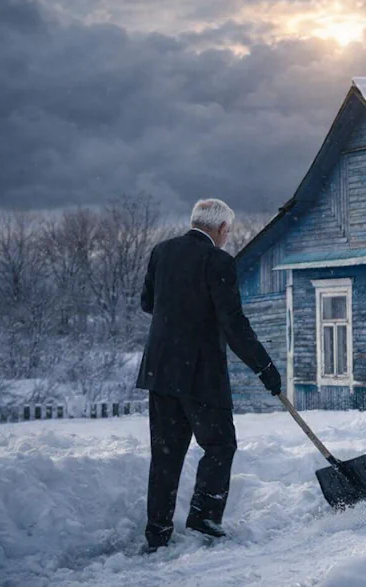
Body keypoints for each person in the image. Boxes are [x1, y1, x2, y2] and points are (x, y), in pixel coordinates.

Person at [136, 198, 281, 551]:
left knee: (166, 453)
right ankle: (204, 516)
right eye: (227, 232)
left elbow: (147, 303)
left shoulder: (162, 251)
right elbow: (233, 323)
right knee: (220, 445)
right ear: (220, 229)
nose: (227, 238)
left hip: (160, 371)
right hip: (199, 373)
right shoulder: (217, 260)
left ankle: (157, 532)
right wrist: (264, 367)